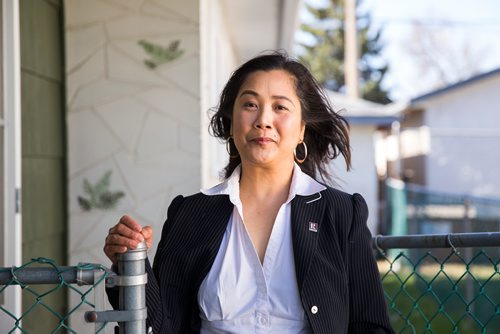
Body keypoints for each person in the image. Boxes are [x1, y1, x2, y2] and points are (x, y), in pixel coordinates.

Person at [104, 51, 395, 334]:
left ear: (302, 129)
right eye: (250, 105)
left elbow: (370, 326)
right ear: (231, 124)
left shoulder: (341, 213)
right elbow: (163, 324)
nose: (263, 120)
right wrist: (128, 265)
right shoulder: (189, 213)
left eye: (280, 107)